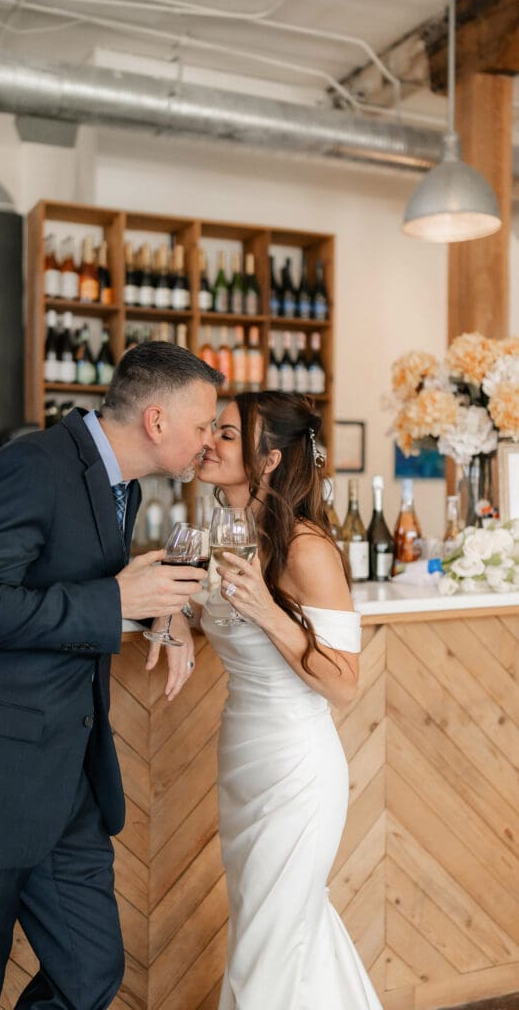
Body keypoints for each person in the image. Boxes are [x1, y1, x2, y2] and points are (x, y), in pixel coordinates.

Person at [0, 341, 224, 1010]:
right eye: (205, 423)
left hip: (67, 784)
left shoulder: (114, 481)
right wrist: (118, 602)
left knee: (90, 972)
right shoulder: (30, 468)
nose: (210, 440)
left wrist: (159, 613)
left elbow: (82, 586)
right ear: (157, 421)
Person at [191, 390, 383, 1009]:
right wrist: (170, 622)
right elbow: (197, 604)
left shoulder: (307, 548)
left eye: (224, 434)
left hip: (295, 771)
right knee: (289, 935)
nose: (208, 443)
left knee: (265, 949)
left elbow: (345, 684)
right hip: (241, 760)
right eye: (212, 431)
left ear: (268, 459)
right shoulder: (230, 534)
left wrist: (270, 614)